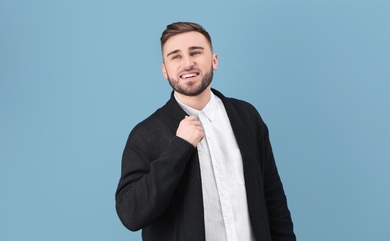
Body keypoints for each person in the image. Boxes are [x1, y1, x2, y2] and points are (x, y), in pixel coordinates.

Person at [115, 22, 296, 241]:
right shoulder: (145, 134)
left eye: (196, 52)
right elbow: (131, 214)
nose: (188, 63)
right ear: (165, 70)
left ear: (214, 60)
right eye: (176, 56)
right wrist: (179, 148)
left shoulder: (247, 117)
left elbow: (273, 199)